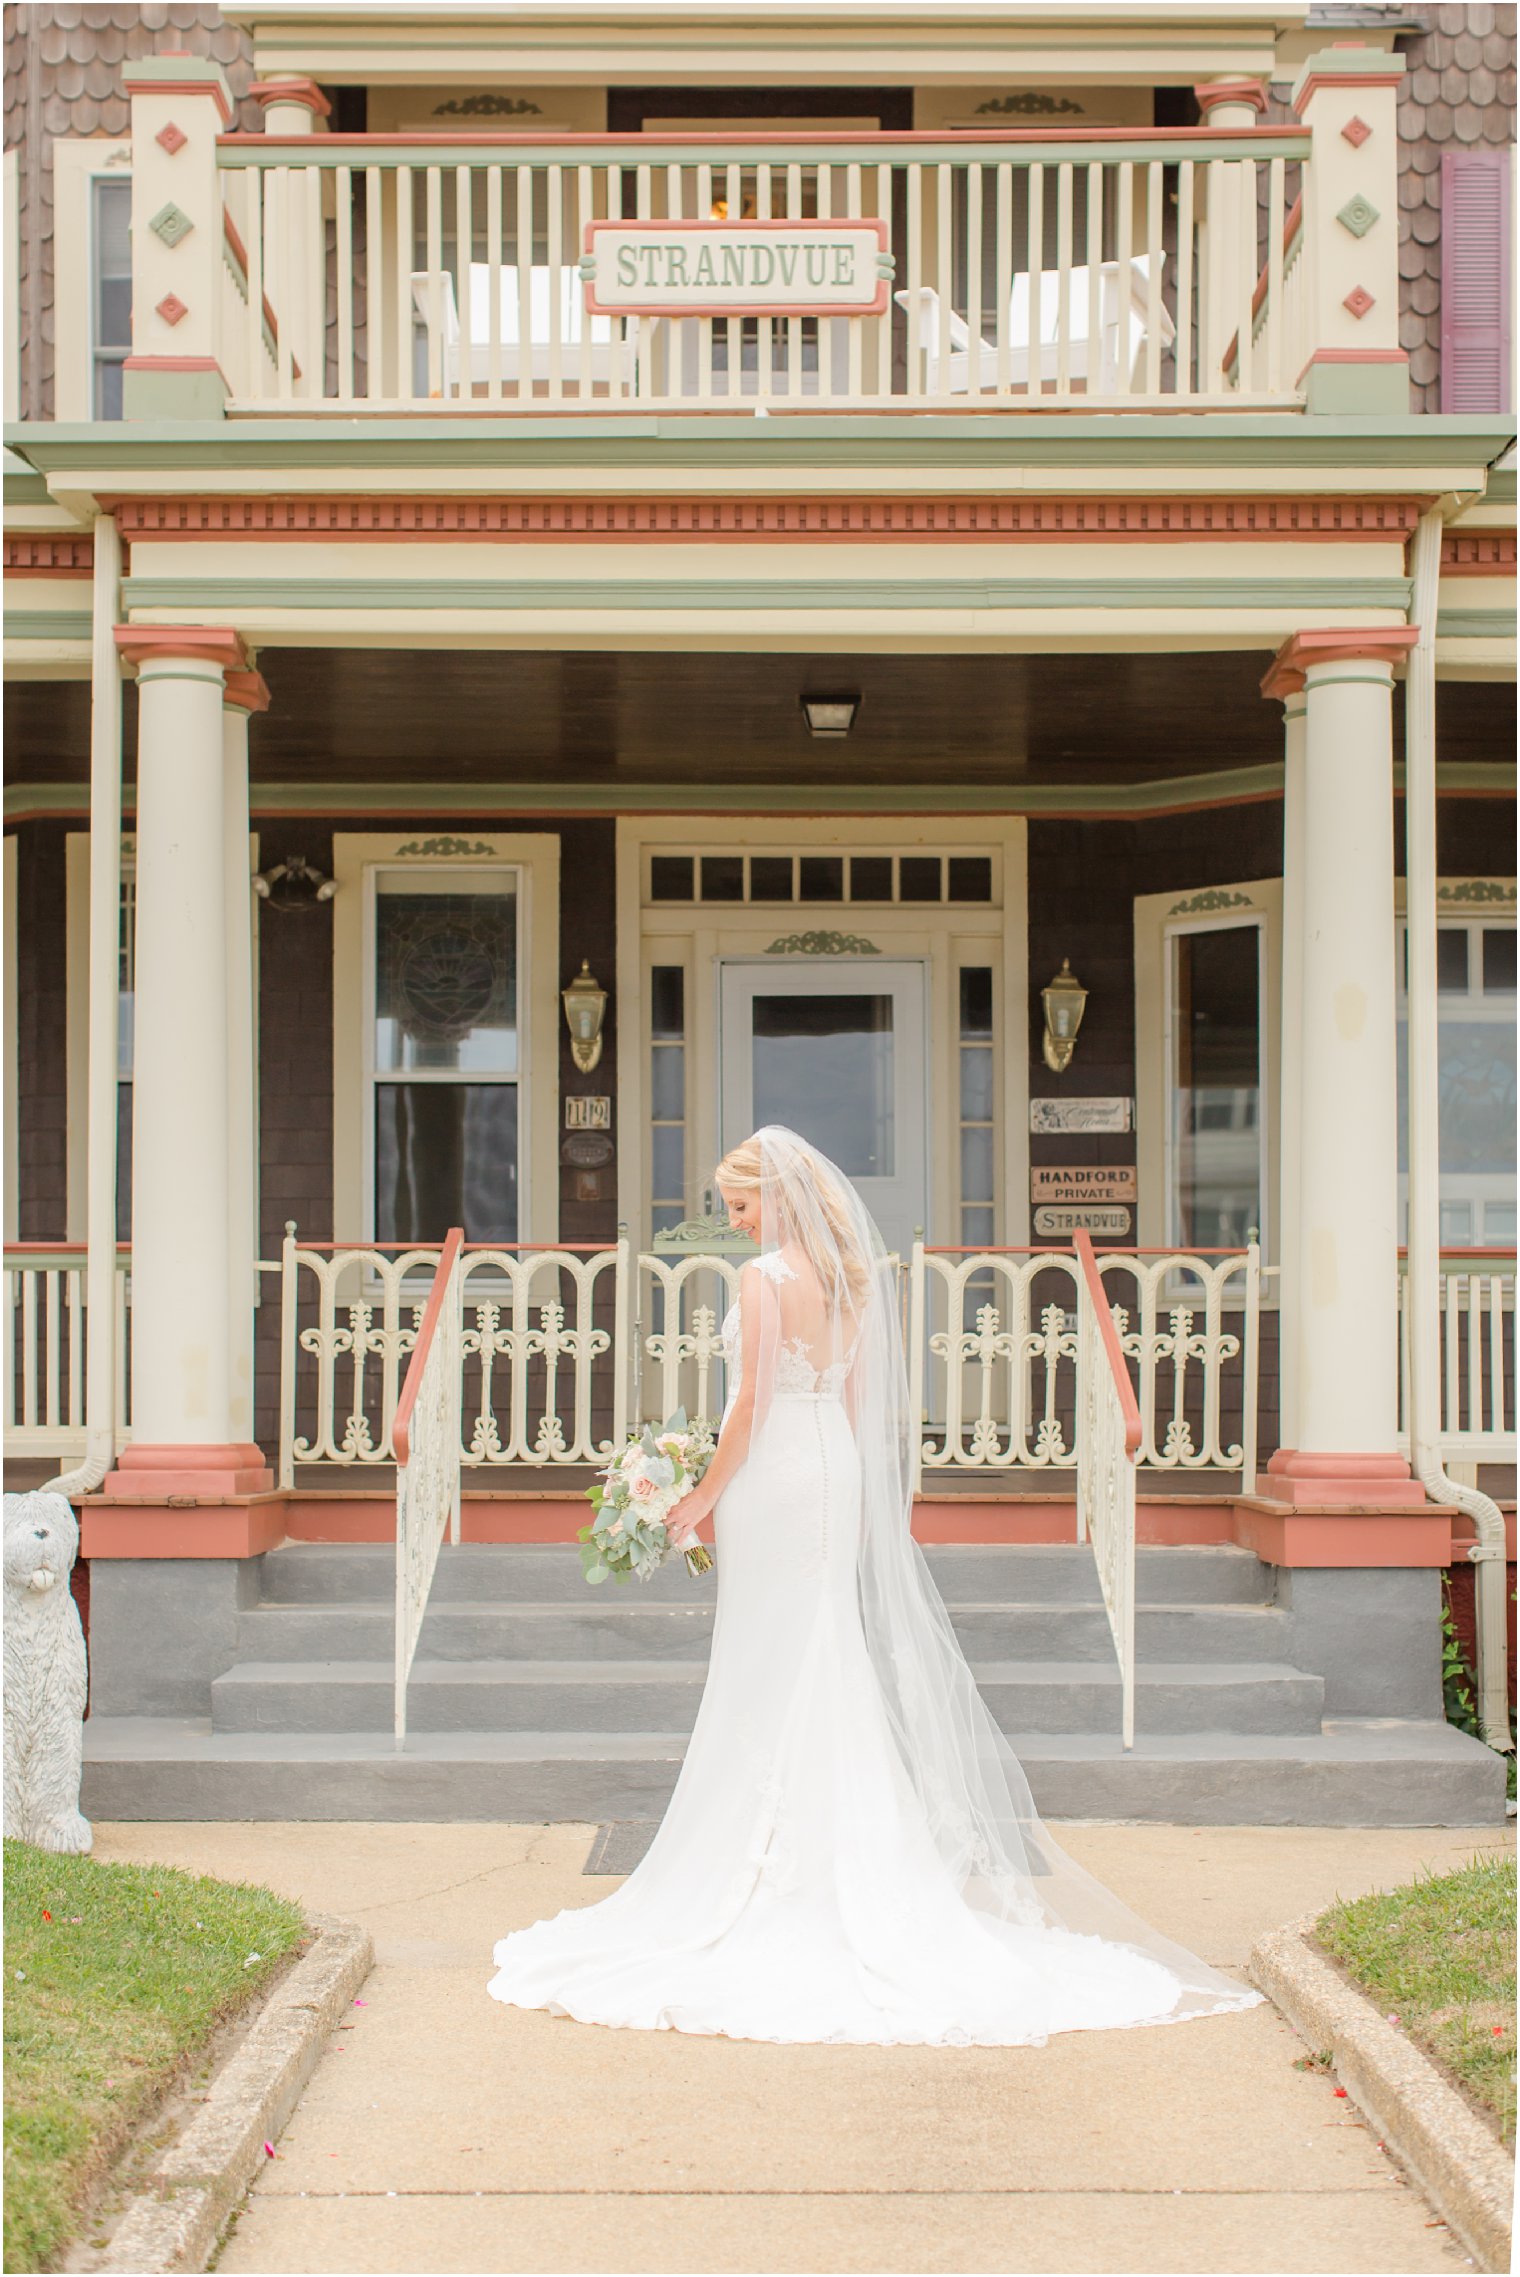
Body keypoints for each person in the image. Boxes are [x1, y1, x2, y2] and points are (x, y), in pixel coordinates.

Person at [488, 1124, 1264, 2047]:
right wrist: (851, 1492)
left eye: (738, 1204)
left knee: (769, 1659)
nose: (731, 1222)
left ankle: (770, 1863)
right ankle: (837, 1856)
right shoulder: (852, 1281)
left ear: (776, 1196)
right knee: (818, 1646)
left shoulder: (767, 1279)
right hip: (833, 1469)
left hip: (775, 1474)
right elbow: (852, 1402)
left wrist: (699, 1492)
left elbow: (751, 1402)